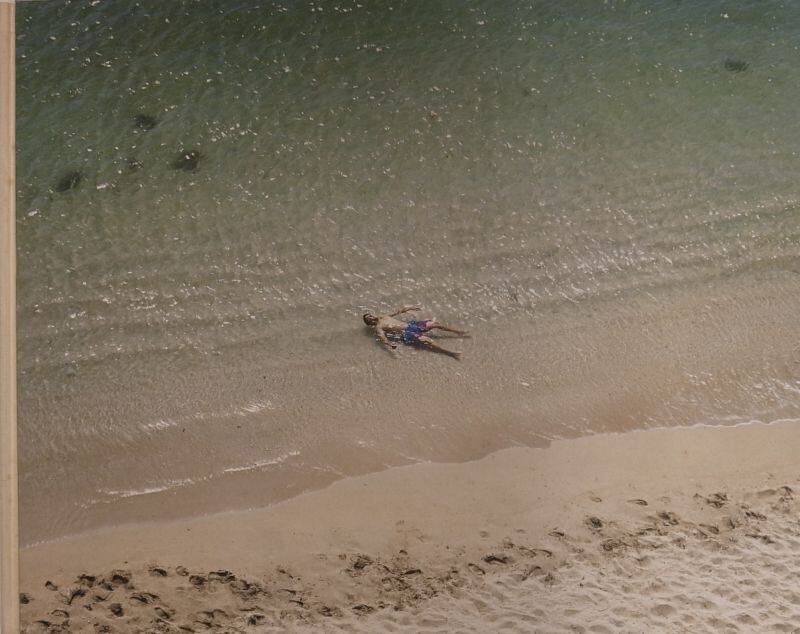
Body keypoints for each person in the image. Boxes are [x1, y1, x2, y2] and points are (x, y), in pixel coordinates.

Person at [362, 306, 468, 358]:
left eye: (369, 315)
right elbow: (382, 337)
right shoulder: (379, 327)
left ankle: (458, 332)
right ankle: (451, 353)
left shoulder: (383, 316)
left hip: (412, 325)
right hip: (407, 333)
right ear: (369, 323)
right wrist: (389, 345)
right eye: (368, 319)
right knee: (428, 341)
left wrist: (408, 308)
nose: (370, 317)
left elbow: (397, 312)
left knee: (436, 324)